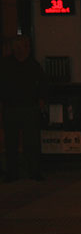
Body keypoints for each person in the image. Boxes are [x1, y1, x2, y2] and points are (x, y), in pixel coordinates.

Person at [0, 35, 48, 182]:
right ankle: (12, 172)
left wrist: (41, 100)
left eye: (23, 46)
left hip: (29, 107)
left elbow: (42, 85)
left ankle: (34, 171)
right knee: (11, 142)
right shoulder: (6, 64)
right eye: (17, 47)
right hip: (12, 107)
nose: (21, 49)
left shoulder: (33, 65)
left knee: (32, 142)